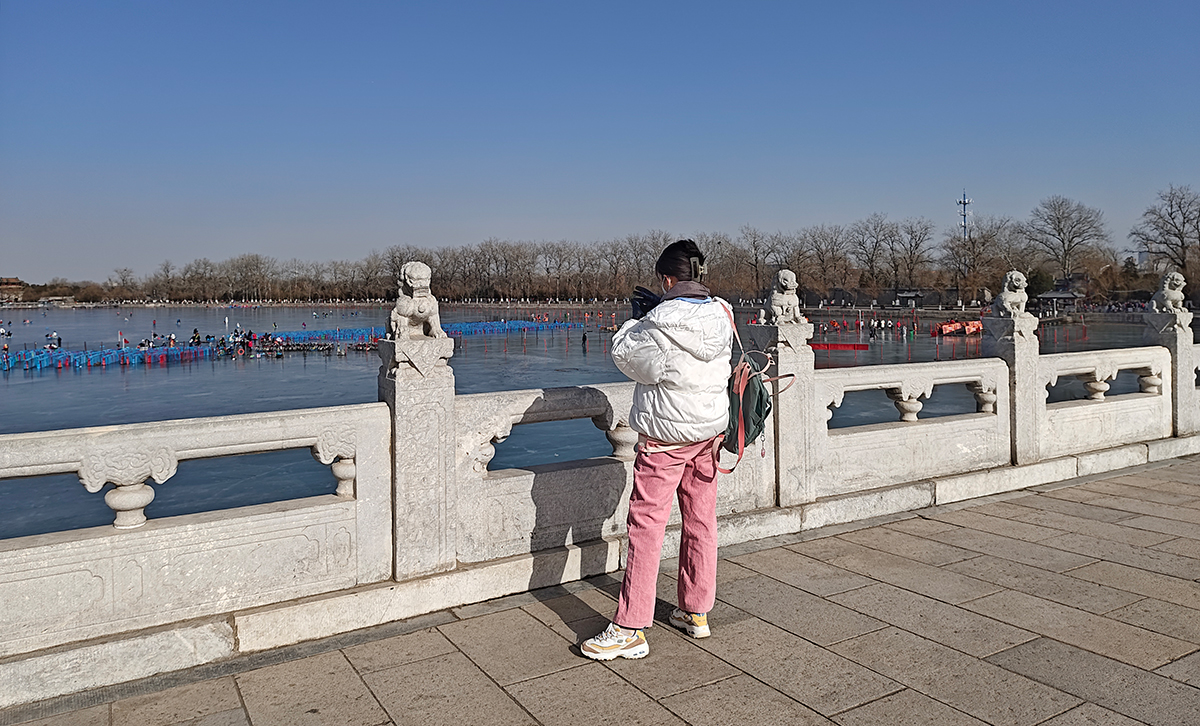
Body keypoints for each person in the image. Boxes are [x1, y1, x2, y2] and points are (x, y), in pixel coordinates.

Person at [580, 239, 733, 661]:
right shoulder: (722, 313)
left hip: (666, 437)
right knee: (701, 520)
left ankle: (631, 626)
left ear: (666, 280)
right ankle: (696, 609)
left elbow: (628, 359)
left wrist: (636, 321)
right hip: (709, 434)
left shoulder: (658, 323)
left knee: (646, 527)